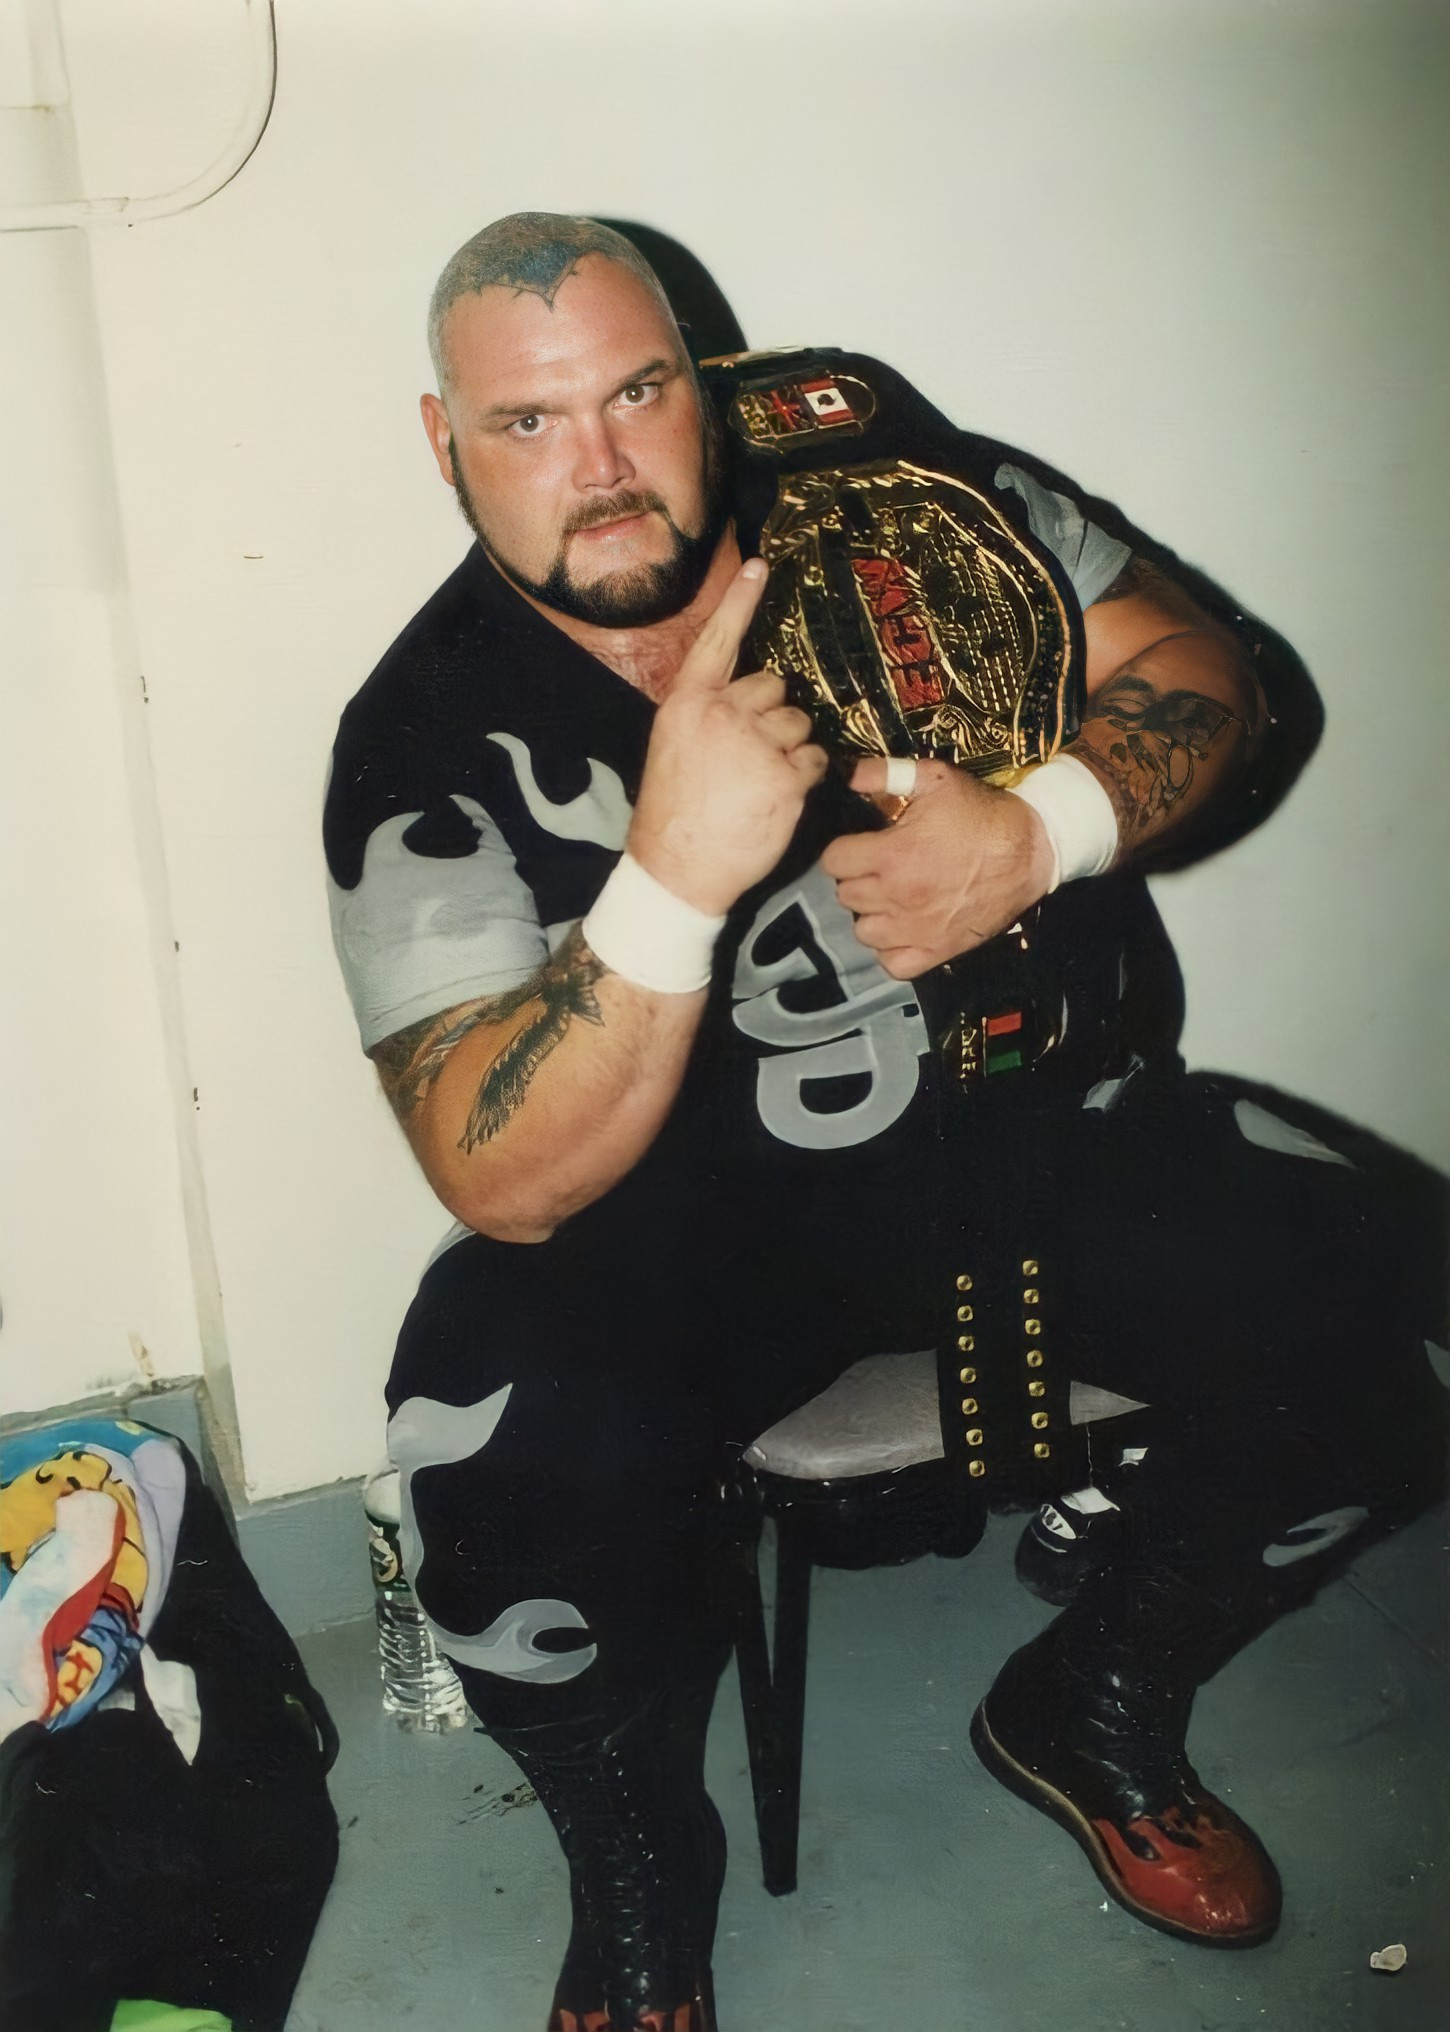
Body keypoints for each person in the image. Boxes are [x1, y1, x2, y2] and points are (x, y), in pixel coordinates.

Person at [323, 214, 1446, 2032]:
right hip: (691, 1217)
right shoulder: (426, 730)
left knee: (1391, 1333)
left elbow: (1205, 672)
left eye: (637, 394)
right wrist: (666, 884)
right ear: (443, 442)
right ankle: (636, 1869)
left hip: (1049, 1126)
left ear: (704, 383)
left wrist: (1043, 832)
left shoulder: (884, 483)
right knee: (485, 1474)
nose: (600, 468)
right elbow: (497, 1174)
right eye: (527, 423)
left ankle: (1088, 1699)